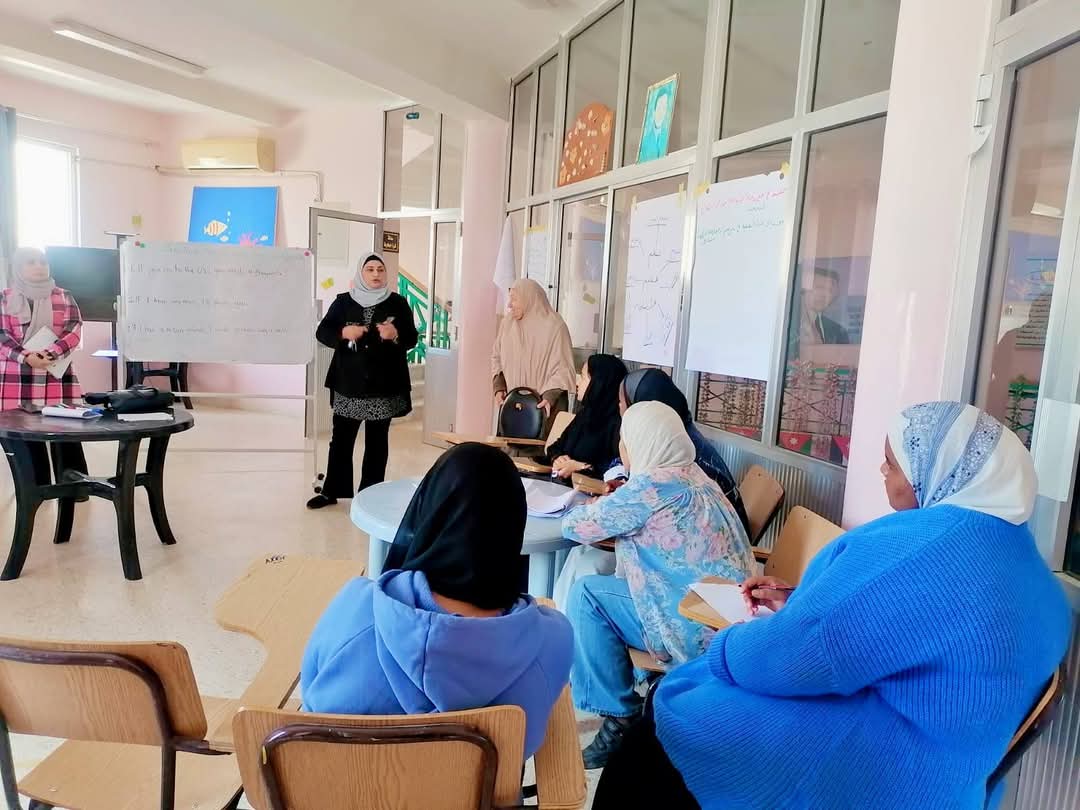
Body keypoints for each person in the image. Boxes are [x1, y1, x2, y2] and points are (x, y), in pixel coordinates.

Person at [592, 402, 1071, 810]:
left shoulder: (921, 548)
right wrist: (800, 602)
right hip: (951, 774)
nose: (882, 471)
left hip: (879, 770)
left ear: (938, 472)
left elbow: (794, 658)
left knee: (657, 743)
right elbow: (909, 635)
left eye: (894, 463)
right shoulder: (1029, 569)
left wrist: (730, 645)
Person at [301, 443, 574, 758]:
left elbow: (310, 709)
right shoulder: (553, 641)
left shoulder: (356, 609)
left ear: (429, 512)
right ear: (513, 525)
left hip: (338, 783)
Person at [561, 401, 755, 769]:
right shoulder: (698, 476)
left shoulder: (648, 489)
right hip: (731, 618)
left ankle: (618, 716)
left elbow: (574, 526)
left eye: (625, 439)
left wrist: (603, 500)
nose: (622, 447)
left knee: (587, 595)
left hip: (690, 623)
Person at [307, 253, 418, 509]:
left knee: (377, 442)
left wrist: (396, 333)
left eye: (380, 269)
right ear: (361, 273)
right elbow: (322, 331)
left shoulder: (398, 303)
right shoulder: (343, 301)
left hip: (383, 384)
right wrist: (342, 332)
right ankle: (331, 491)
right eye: (370, 269)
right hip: (348, 383)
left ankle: (370, 496)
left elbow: (412, 338)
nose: (376, 274)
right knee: (341, 440)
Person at [621, 368, 749, 533]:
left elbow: (642, 508)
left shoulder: (672, 449)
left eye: (622, 401)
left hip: (712, 535)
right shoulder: (681, 434)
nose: (619, 407)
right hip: (719, 533)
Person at [0, 247, 87, 485]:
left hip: (54, 374)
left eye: (42, 262)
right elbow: (2, 335)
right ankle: (35, 488)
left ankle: (74, 487)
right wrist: (26, 356)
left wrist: (50, 353)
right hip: (17, 378)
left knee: (65, 430)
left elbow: (74, 329)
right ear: (17, 268)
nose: (39, 266)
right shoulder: (4, 298)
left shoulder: (64, 296)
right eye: (31, 262)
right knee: (22, 432)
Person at [491, 278, 576, 431]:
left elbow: (563, 370)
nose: (509, 305)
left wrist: (549, 397)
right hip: (512, 407)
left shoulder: (555, 327)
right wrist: (499, 387)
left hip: (542, 409)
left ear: (529, 299)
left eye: (514, 299)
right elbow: (496, 357)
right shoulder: (508, 324)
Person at [541, 353, 627, 481]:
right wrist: (558, 458)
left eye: (583, 377)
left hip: (589, 490)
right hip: (562, 484)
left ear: (598, 383)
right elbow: (555, 447)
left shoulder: (618, 423)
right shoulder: (585, 414)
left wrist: (581, 467)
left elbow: (619, 471)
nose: (578, 383)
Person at [788, 266, 849, 358]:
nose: (823, 294)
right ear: (804, 289)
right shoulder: (787, 322)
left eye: (830, 290)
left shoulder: (840, 332)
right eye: (819, 287)